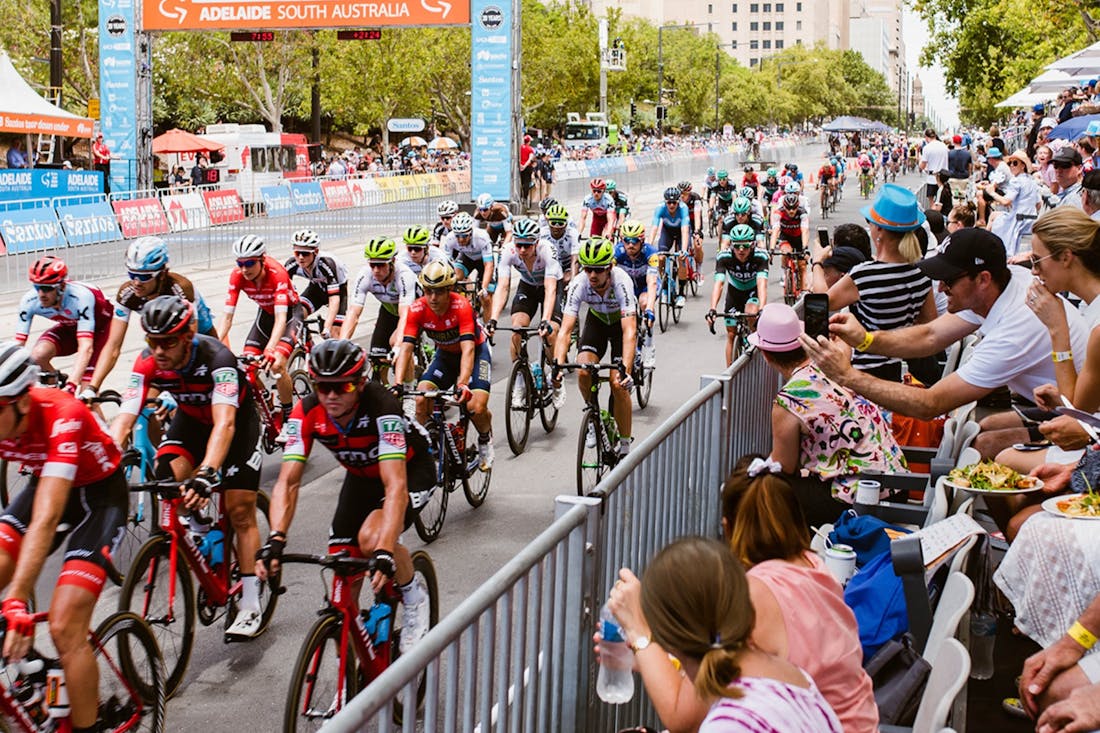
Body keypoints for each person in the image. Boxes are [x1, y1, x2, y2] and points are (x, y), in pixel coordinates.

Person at [799, 228, 1089, 488]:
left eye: (948, 280)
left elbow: (930, 404)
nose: (940, 289)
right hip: (1063, 405)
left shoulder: (1016, 327)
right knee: (984, 432)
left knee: (987, 447)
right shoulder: (1007, 285)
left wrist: (845, 375)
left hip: (1085, 424)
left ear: (983, 279)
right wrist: (865, 339)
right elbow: (930, 336)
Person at [256, 339, 434, 653]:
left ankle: (413, 596)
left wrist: (383, 551)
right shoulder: (308, 411)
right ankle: (351, 681)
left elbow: (395, 488)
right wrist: (275, 537)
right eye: (323, 387)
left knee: (372, 540)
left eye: (343, 387)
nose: (332, 396)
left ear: (361, 383)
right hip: (361, 477)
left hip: (409, 470)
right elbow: (288, 481)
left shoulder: (382, 407)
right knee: (342, 576)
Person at [110, 296, 268, 640]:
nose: (160, 350)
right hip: (191, 423)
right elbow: (125, 415)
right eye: (153, 341)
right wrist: (106, 458)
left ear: (187, 335)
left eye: (168, 341)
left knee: (240, 511)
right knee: (166, 482)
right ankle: (199, 527)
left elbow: (225, 424)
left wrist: (208, 471)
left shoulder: (218, 358)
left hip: (236, 425)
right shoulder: (148, 361)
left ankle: (252, 604)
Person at [0, 342, 128, 732]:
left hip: (98, 498)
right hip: (45, 484)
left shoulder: (63, 416)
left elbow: (47, 517)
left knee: (64, 625)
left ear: (23, 402)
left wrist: (18, 599)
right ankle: (38, 668)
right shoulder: (9, 415)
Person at [605, 538, 842, 733]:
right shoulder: (791, 676)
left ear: (665, 636)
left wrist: (638, 630)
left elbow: (685, 717)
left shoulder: (730, 724)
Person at [750, 303, 905, 526]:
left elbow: (783, 468)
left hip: (861, 500)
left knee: (767, 490)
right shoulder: (834, 365)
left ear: (766, 355)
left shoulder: (787, 401)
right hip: (898, 485)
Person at [84, 236, 216, 400]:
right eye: (132, 274)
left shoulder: (180, 289)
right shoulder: (127, 294)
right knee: (145, 403)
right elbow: (113, 347)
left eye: (145, 277)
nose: (136, 282)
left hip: (198, 337)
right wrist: (92, 387)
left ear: (162, 274)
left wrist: (175, 389)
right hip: (163, 343)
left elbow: (190, 345)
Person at [828, 184, 936, 382]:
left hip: (864, 372)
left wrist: (818, 263)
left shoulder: (863, 275)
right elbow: (929, 323)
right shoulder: (921, 275)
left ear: (879, 229)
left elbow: (822, 302)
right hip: (900, 368)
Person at [393, 261, 494, 470]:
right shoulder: (418, 309)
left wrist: (463, 383)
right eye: (428, 291)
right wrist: (398, 383)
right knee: (421, 398)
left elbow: (468, 350)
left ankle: (485, 439)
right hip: (445, 356)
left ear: (449, 290)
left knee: (475, 406)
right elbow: (406, 349)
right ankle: (426, 450)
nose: (433, 298)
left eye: (438, 292)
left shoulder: (462, 306)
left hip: (476, 353)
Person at [552, 237, 637, 456]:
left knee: (617, 384)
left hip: (620, 325)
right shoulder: (580, 283)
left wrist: (626, 370)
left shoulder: (621, 282)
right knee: (583, 371)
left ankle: (625, 446)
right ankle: (594, 417)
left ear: (609, 268)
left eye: (598, 270)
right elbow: (565, 329)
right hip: (597, 321)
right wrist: (558, 363)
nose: (592, 275)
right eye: (588, 269)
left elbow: (630, 332)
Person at [216, 234, 303, 437]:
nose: (244, 269)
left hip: (289, 314)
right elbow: (227, 317)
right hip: (265, 315)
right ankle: (269, 406)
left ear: (262, 260)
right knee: (247, 367)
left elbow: (281, 319)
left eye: (249, 263)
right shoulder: (237, 276)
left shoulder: (277, 274)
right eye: (240, 263)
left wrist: (271, 350)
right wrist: (213, 343)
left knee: (277, 364)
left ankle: (289, 416)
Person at [485, 217, 565, 406]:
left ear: (536, 243)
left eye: (527, 246)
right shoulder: (508, 251)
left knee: (551, 332)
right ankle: (520, 380)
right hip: (527, 286)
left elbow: (550, 289)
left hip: (551, 286)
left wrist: (545, 320)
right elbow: (503, 286)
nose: (522, 250)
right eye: (519, 244)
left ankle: (556, 379)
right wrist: (493, 318)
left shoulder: (548, 251)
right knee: (516, 329)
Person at [15, 256, 113, 392]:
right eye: (37, 287)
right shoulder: (29, 301)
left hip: (102, 330)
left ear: (61, 286)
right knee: (38, 355)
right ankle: (56, 388)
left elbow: (86, 347)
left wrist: (72, 384)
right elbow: (18, 346)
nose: (41, 294)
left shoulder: (81, 297)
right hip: (72, 326)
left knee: (87, 394)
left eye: (47, 288)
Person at [342, 237, 417, 384]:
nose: (376, 270)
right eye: (372, 264)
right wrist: (342, 343)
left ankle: (408, 391)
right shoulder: (365, 275)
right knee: (377, 357)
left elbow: (404, 316)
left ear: (392, 262)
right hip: (389, 310)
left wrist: (397, 346)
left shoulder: (404, 275)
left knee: (399, 344)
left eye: (381, 265)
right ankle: (386, 390)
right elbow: (353, 313)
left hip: (413, 312)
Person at [707, 225, 768, 367]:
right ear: (731, 245)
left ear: (752, 244)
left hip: (752, 291)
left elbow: (762, 284)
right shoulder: (724, 257)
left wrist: (763, 308)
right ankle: (729, 374)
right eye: (737, 245)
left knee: (752, 313)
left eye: (745, 245)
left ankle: (754, 339)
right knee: (731, 334)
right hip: (735, 292)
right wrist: (713, 308)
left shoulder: (760, 256)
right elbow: (719, 284)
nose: (741, 250)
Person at [283, 229, 348, 339]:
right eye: (297, 253)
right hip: (316, 289)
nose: (301, 257)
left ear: (316, 252)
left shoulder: (326, 263)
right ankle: (306, 343)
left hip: (338, 292)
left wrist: (327, 327)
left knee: (334, 334)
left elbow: (334, 299)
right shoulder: (292, 264)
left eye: (305, 253)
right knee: (295, 316)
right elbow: (283, 292)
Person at [613, 220, 658, 367]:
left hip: (645, 286)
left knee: (644, 302)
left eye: (634, 241)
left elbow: (652, 282)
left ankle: (650, 346)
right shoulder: (617, 252)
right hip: (628, 288)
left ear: (642, 241)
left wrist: (650, 308)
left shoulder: (650, 253)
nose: (630, 245)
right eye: (627, 241)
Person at [985, 150, 1042, 257]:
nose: (1011, 166)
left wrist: (992, 193)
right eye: (1009, 163)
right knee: (994, 215)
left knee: (994, 219)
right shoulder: (1032, 181)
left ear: (1023, 166)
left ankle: (989, 249)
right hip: (1031, 219)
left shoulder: (1016, 181)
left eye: (1015, 163)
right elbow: (1038, 204)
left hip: (1018, 220)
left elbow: (1006, 202)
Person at [440, 212, 494, 316]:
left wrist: (484, 287)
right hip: (466, 257)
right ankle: (465, 301)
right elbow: (447, 263)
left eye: (464, 236)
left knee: (486, 298)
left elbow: (488, 265)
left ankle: (487, 329)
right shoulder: (450, 238)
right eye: (458, 236)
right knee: (455, 279)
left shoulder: (482, 237)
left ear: (470, 232)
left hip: (483, 260)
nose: (460, 239)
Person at [919, 128, 950, 208]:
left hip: (932, 178)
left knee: (932, 202)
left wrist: (918, 157)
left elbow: (922, 166)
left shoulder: (927, 148)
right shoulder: (944, 146)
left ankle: (934, 219)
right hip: (944, 177)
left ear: (926, 137)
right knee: (942, 202)